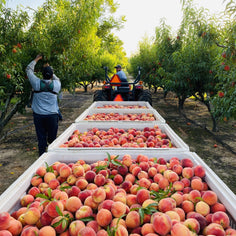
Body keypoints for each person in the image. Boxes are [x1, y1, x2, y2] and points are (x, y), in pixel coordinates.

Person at [26, 55, 61, 156]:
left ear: (41, 74)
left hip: (39, 115)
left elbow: (28, 70)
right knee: (52, 138)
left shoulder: (36, 83)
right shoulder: (56, 84)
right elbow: (56, 78)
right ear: (51, 75)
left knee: (41, 137)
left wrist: (36, 59)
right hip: (52, 116)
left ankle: (42, 156)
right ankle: (52, 155)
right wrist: (49, 69)